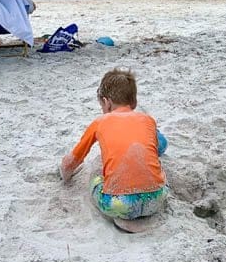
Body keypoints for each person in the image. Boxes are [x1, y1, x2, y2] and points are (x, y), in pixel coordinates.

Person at [60, 68, 169, 224]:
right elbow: (160, 146)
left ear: (106, 102)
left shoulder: (100, 122)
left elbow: (71, 162)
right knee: (158, 168)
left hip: (118, 204)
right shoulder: (148, 120)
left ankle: (122, 219)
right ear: (134, 102)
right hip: (156, 199)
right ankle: (140, 218)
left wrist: (65, 175)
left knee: (95, 171)